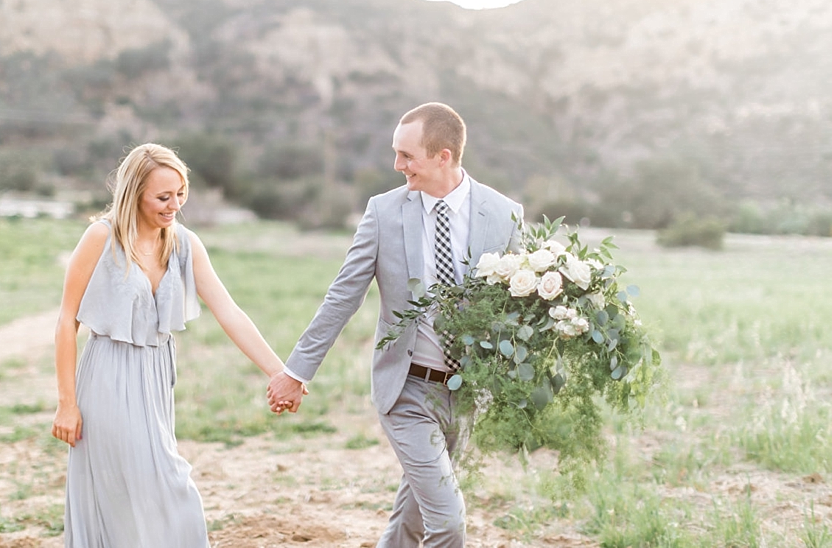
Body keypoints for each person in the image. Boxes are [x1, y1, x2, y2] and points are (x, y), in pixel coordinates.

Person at [267, 102, 523, 547]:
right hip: (406, 389)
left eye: (407, 156)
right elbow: (343, 296)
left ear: (443, 156)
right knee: (447, 522)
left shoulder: (504, 214)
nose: (397, 165)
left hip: (467, 393)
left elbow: (520, 308)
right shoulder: (384, 212)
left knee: (413, 518)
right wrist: (296, 371)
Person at [51, 143, 296, 547]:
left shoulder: (184, 243)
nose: (175, 205)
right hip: (107, 375)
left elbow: (228, 310)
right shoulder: (100, 237)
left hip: (156, 377)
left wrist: (278, 371)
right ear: (135, 194)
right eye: (163, 197)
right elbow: (65, 321)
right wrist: (66, 402)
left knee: (143, 490)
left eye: (181, 193)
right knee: (159, 485)